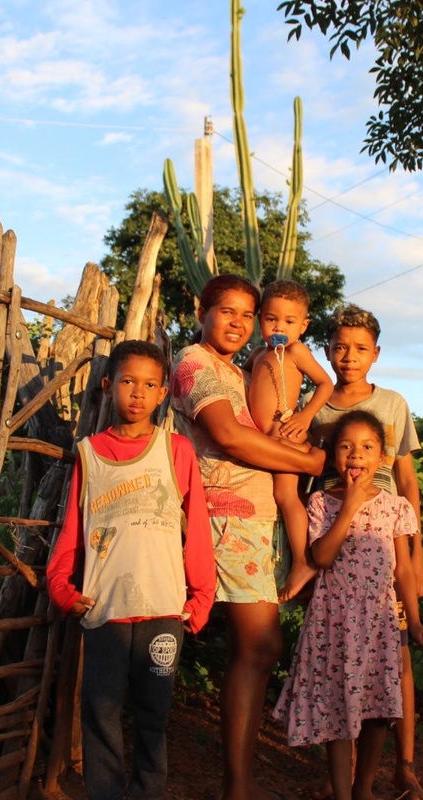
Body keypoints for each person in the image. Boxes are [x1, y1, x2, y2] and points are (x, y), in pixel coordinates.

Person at [169, 274, 326, 800]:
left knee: (251, 648)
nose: (237, 322)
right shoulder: (193, 363)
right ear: (201, 312)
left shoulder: (234, 370)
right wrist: (310, 460)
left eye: (245, 313)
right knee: (260, 646)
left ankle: (239, 780)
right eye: (227, 311)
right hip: (229, 517)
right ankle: (237, 785)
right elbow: (231, 438)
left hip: (256, 518)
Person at [45, 340, 216, 800]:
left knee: (153, 713)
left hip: (164, 607)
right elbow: (74, 529)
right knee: (100, 710)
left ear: (163, 394)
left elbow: (196, 526)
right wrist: (61, 587)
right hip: (105, 609)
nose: (137, 393)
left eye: (148, 385)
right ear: (108, 387)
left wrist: (201, 597)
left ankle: (147, 793)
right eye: (127, 382)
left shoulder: (176, 451)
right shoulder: (90, 454)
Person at [273, 410, 423, 800]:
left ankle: (364, 789)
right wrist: (348, 506)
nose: (356, 456)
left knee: (379, 711)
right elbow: (322, 557)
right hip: (334, 621)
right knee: (338, 713)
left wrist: (413, 623)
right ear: (334, 457)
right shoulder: (320, 503)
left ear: (382, 457)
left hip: (381, 621)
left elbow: (401, 572)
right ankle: (343, 793)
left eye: (367, 448)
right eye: (346, 447)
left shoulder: (394, 506)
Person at [306, 303, 423, 799]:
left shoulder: (394, 404)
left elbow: (406, 483)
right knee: (340, 676)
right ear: (327, 351)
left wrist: (416, 559)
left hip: (386, 546)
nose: (348, 357)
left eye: (359, 349)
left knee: (393, 664)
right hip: (336, 547)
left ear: (375, 354)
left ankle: (400, 766)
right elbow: (304, 473)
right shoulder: (318, 405)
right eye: (339, 347)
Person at [244, 279, 334, 602]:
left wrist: (305, 416)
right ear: (260, 320)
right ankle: (283, 559)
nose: (278, 326)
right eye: (271, 319)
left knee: (286, 496)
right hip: (263, 440)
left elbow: (325, 384)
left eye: (289, 321)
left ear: (303, 325)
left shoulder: (296, 351)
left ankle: (302, 562)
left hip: (286, 435)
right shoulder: (256, 356)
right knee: (275, 500)